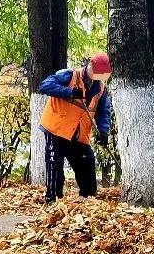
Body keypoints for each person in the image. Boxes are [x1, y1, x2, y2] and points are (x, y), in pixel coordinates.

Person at [37, 53, 113, 203]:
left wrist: (103, 132)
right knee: (55, 166)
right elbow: (44, 86)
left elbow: (104, 112)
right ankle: (52, 199)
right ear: (90, 65)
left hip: (79, 134)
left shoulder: (101, 89)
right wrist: (70, 92)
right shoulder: (69, 75)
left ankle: (89, 199)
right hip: (56, 130)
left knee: (88, 162)